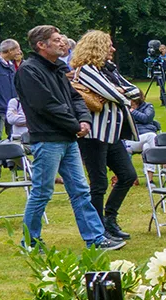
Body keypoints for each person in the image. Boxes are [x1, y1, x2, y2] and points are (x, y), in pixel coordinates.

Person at [15, 24, 120, 251]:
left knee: (80, 190)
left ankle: (95, 238)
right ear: (42, 45)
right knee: (42, 191)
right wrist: (75, 124)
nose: (63, 42)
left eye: (62, 38)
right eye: (56, 39)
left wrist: (85, 120)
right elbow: (46, 105)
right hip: (48, 139)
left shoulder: (57, 68)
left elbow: (75, 98)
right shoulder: (29, 71)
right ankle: (30, 241)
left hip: (68, 138)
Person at [69, 30, 142, 241]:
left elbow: (135, 92)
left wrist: (118, 92)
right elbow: (117, 95)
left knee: (128, 175)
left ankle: (109, 218)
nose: (113, 49)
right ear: (98, 47)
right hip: (93, 135)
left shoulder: (108, 70)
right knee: (99, 183)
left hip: (112, 134)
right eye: (109, 45)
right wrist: (118, 93)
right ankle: (97, 229)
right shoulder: (86, 71)